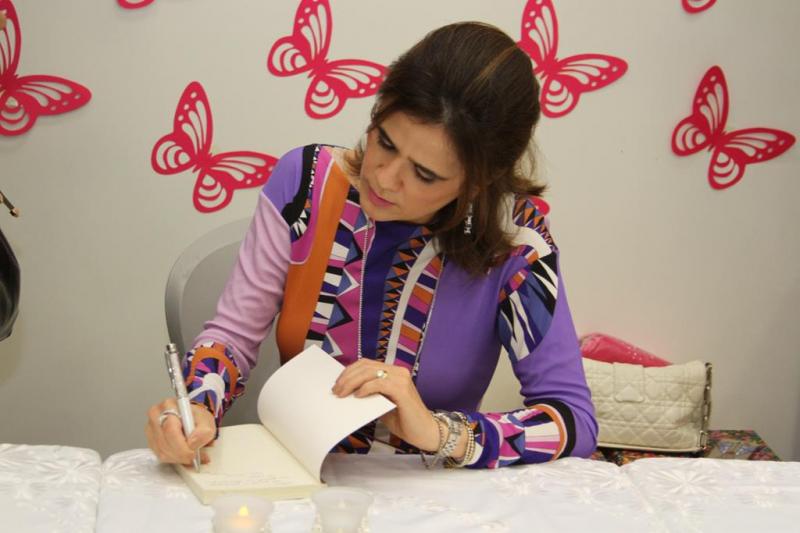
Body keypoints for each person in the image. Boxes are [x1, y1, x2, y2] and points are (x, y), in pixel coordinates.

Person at [146, 21, 597, 469]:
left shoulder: (516, 241)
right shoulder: (305, 184)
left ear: (478, 182)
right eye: (385, 141)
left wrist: (440, 432)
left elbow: (572, 420)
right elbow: (231, 337)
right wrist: (197, 405)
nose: (384, 178)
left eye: (424, 174)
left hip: (431, 494)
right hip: (298, 483)